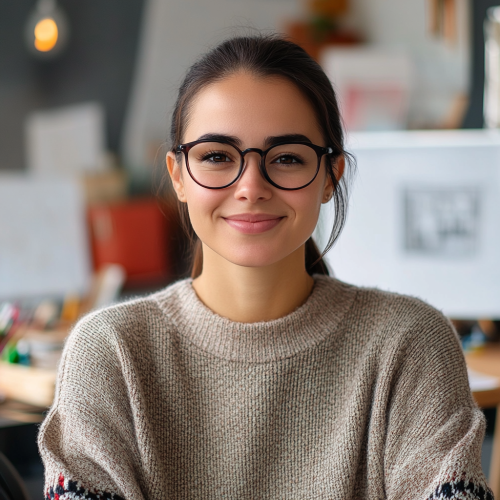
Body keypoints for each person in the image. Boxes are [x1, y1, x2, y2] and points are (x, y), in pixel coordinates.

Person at [38, 35, 492, 500]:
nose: (251, 186)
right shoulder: (109, 352)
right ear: (178, 175)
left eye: (288, 158)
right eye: (217, 156)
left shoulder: (411, 343)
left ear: (330, 177)